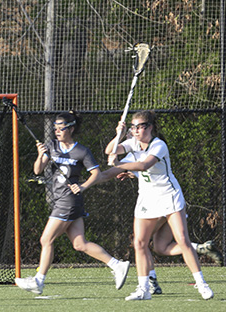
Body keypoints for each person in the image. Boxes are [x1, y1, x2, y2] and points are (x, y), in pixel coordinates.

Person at [98, 111, 214, 300]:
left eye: (139, 126)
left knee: (183, 240)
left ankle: (201, 284)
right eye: (133, 127)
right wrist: (118, 133)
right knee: (140, 243)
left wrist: (120, 164)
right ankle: (143, 290)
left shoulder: (159, 145)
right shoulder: (132, 143)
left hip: (169, 196)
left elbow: (144, 165)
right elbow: (109, 150)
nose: (135, 131)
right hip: (147, 199)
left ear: (150, 127)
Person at [15, 111, 130, 296]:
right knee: (80, 244)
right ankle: (117, 265)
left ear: (71, 129)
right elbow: (38, 170)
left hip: (68, 200)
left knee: (46, 239)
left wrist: (83, 187)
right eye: (55, 128)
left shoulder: (82, 151)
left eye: (61, 128)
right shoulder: (51, 146)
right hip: (60, 199)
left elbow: (96, 174)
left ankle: (39, 281)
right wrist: (40, 155)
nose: (57, 131)